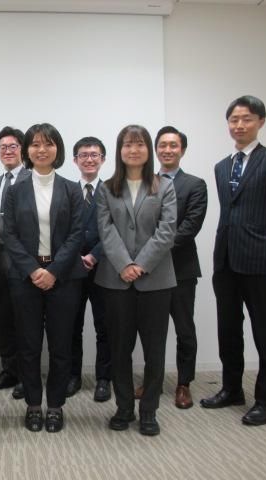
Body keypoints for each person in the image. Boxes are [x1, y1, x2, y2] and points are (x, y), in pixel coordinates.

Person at [201, 95, 266, 426]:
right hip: (225, 260)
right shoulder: (221, 166)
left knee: (265, 332)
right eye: (234, 120)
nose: (239, 125)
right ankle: (231, 389)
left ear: (261, 122)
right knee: (228, 329)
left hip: (260, 261)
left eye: (247, 119)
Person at [95, 124, 177, 436]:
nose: (134, 150)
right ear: (120, 151)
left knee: (154, 351)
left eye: (140, 144)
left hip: (156, 281)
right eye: (128, 145)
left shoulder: (164, 186)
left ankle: (149, 411)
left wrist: (140, 265)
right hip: (116, 281)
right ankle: (124, 407)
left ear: (148, 150)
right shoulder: (107, 188)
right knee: (120, 349)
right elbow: (106, 230)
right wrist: (124, 264)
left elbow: (167, 230)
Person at [3, 123, 85, 433]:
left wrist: (53, 271)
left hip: (64, 277)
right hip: (25, 277)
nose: (41, 150)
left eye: (48, 144)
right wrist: (33, 269)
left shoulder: (71, 189)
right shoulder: (16, 190)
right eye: (35, 144)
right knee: (28, 345)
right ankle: (34, 404)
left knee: (61, 346)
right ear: (27, 150)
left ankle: (56, 405)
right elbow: (9, 234)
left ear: (57, 149)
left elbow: (77, 234)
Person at [135, 126, 206, 409]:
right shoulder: (144, 183)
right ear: (156, 150)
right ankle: (152, 380)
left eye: (173, 145)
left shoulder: (195, 185)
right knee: (152, 331)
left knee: (184, 329)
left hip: (181, 269)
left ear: (182, 150)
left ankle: (184, 383)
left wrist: (153, 251)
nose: (167, 150)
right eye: (162, 145)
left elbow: (190, 227)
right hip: (149, 272)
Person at [0, 126, 30, 400]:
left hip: (23, 261)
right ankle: (9, 370)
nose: (8, 151)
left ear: (22, 150)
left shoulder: (33, 179)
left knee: (25, 321)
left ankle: (26, 375)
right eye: (3, 147)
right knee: (3, 318)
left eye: (13, 146)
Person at [68, 136, 111, 402]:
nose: (89, 159)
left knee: (105, 326)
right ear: (75, 160)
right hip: (72, 270)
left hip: (104, 269)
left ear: (103, 159)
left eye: (94, 155)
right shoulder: (67, 191)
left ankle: (104, 379)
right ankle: (73, 376)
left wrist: (94, 255)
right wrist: (75, 258)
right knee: (72, 326)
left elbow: (115, 229)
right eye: (83, 155)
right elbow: (61, 230)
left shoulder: (111, 191)